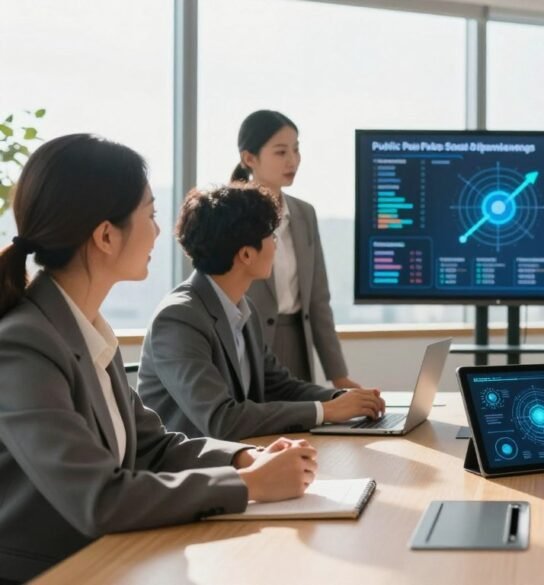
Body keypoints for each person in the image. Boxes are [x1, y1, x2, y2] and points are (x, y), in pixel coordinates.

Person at [0, 134, 317, 583]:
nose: (157, 229)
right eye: (149, 214)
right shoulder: (23, 346)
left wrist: (247, 458)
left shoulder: (86, 330)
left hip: (114, 559)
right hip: (58, 572)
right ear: (106, 236)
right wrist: (250, 485)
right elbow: (99, 497)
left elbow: (154, 446)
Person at [137, 184, 385, 441]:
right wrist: (325, 411)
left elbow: (278, 386)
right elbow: (221, 419)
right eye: (272, 236)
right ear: (246, 254)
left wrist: (343, 400)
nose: (276, 246)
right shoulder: (179, 318)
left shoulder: (244, 310)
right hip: (189, 473)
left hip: (240, 458)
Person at [231, 110, 359, 388]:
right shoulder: (229, 214)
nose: (292, 160)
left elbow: (318, 300)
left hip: (297, 342)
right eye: (280, 152)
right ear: (249, 158)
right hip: (245, 343)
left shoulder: (304, 214)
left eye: (296, 149)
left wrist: (338, 375)